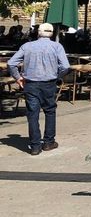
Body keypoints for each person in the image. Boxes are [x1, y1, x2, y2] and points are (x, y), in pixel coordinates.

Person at [7, 22, 70, 155]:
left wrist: (18, 78)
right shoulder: (57, 46)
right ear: (52, 34)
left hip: (31, 84)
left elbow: (11, 63)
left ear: (38, 33)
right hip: (49, 83)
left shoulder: (27, 46)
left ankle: (35, 146)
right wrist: (56, 76)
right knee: (50, 111)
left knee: (33, 113)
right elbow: (66, 66)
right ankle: (48, 142)